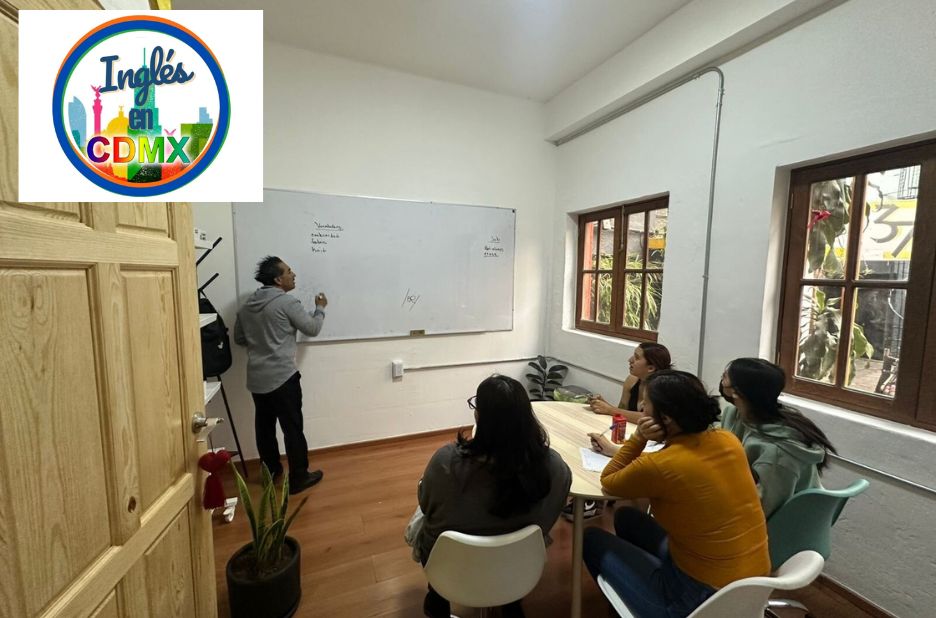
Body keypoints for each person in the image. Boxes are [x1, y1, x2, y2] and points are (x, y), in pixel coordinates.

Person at [583, 370, 770, 618]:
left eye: (646, 403)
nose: (641, 407)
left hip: (698, 600)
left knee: (592, 538)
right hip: (752, 586)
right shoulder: (728, 440)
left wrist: (638, 438)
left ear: (666, 419)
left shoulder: (662, 466)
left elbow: (609, 482)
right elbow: (675, 465)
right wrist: (619, 451)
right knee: (627, 517)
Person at [413, 375, 572, 618]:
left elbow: (426, 505)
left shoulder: (446, 462)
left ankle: (437, 596)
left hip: (449, 566)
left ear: (480, 417)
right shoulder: (555, 468)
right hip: (517, 566)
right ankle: (510, 601)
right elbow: (549, 517)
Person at [233, 256, 327, 495]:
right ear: (277, 279)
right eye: (288, 271)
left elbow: (240, 338)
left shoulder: (247, 306)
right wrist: (320, 309)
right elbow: (312, 328)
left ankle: (271, 472)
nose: (293, 275)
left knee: (264, 428)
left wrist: (262, 341)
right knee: (292, 428)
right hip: (283, 377)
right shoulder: (287, 303)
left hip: (257, 378)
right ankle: (299, 478)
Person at [720, 357, 837, 518]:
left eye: (724, 377)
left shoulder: (776, 453)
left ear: (737, 392)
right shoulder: (736, 415)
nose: (721, 380)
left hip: (783, 523)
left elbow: (762, 510)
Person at [587, 342, 673, 424]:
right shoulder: (632, 380)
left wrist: (609, 409)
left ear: (651, 368)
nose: (630, 360)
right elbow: (621, 410)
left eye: (637, 357)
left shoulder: (663, 388)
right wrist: (603, 405)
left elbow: (650, 418)